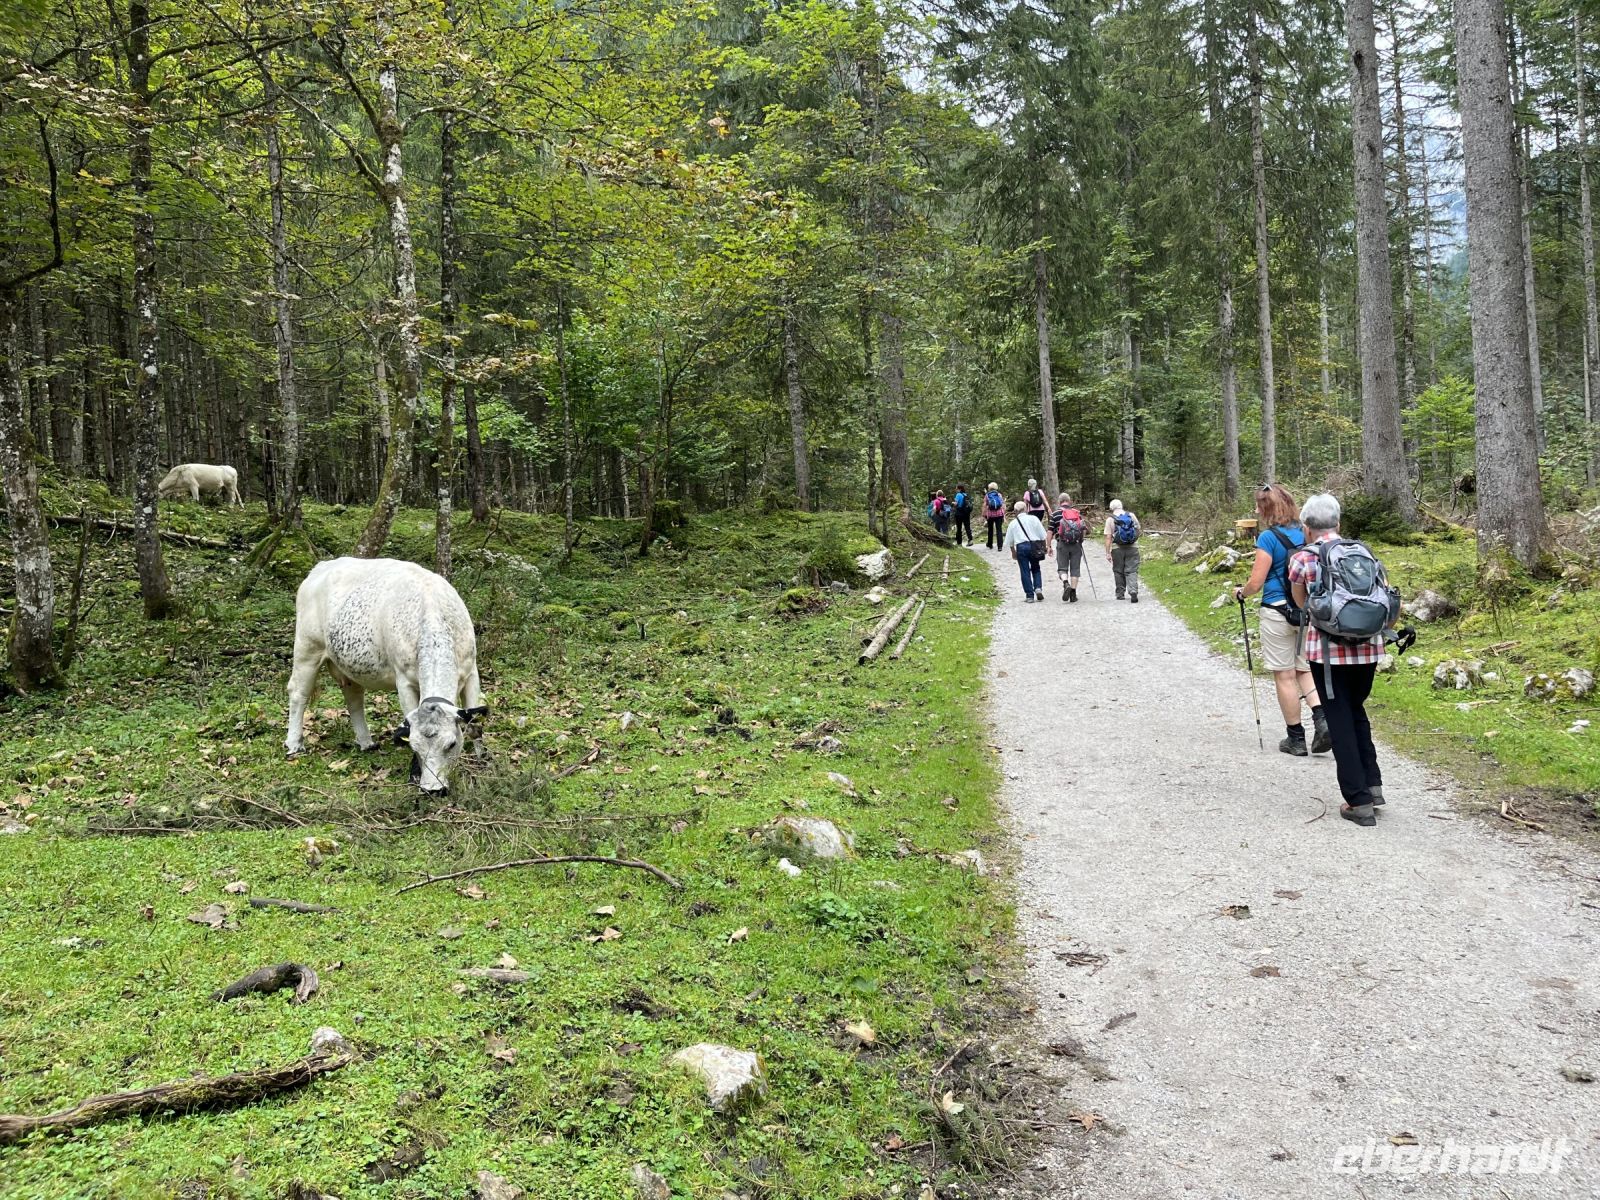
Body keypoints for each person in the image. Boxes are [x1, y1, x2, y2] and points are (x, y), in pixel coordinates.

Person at [1288, 492, 1388, 827]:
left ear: (1306, 527)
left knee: (1340, 719)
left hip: (1327, 655)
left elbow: (1301, 601)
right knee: (1357, 711)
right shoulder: (1363, 552)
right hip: (1369, 648)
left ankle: (1357, 800)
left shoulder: (1304, 558)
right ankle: (1373, 787)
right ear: (1338, 523)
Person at [1233, 484, 1330, 757]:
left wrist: (1241, 592)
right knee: (1305, 670)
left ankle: (1296, 739)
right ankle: (1323, 721)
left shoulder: (1267, 538)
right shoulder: (1305, 532)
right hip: (1306, 610)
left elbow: (1257, 581)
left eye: (1258, 506)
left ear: (1267, 509)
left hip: (1277, 610)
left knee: (1285, 675)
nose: (1255, 510)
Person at [1003, 500, 1048, 602]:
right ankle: (1038, 588)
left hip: (1021, 547)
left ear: (1015, 511)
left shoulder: (1013, 523)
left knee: (1024, 570)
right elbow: (1042, 535)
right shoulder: (1034, 519)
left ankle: (1029, 595)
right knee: (1036, 567)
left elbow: (1009, 541)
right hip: (1034, 546)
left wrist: (1013, 552)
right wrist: (1044, 547)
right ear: (1025, 509)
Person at [1048, 492, 1086, 602]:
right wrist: (1081, 541)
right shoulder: (1077, 513)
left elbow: (1050, 531)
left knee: (1062, 568)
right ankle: (1073, 594)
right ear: (1069, 501)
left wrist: (1049, 545)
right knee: (1075, 569)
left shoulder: (1055, 514)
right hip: (1076, 544)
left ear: (1059, 502)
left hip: (1062, 544)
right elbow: (1082, 528)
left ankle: (1065, 583)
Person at [1103, 498, 1141, 602]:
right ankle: (1133, 591)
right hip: (1133, 547)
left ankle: (1120, 594)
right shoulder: (1131, 516)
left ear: (1111, 508)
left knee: (1118, 571)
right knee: (1132, 570)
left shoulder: (1110, 519)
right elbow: (1138, 529)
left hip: (1117, 549)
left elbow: (1108, 537)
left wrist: (1107, 553)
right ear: (1121, 506)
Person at [982, 482, 1007, 549]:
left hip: (990, 515)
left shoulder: (987, 495)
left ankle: (990, 544)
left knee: (990, 529)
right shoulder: (999, 495)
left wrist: (984, 514)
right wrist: (1004, 513)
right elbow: (1002, 505)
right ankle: (1000, 546)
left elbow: (985, 505)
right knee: (999, 529)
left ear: (989, 488)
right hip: (999, 514)